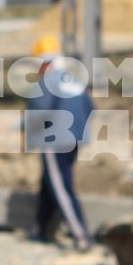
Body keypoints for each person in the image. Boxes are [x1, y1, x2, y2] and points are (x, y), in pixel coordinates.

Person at [25, 35, 93, 251]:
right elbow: (91, 107)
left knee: (61, 188)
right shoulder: (71, 79)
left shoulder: (46, 81)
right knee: (50, 183)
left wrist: (22, 130)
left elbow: (37, 114)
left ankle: (80, 235)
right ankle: (39, 229)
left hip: (54, 141)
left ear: (43, 63)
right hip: (74, 138)